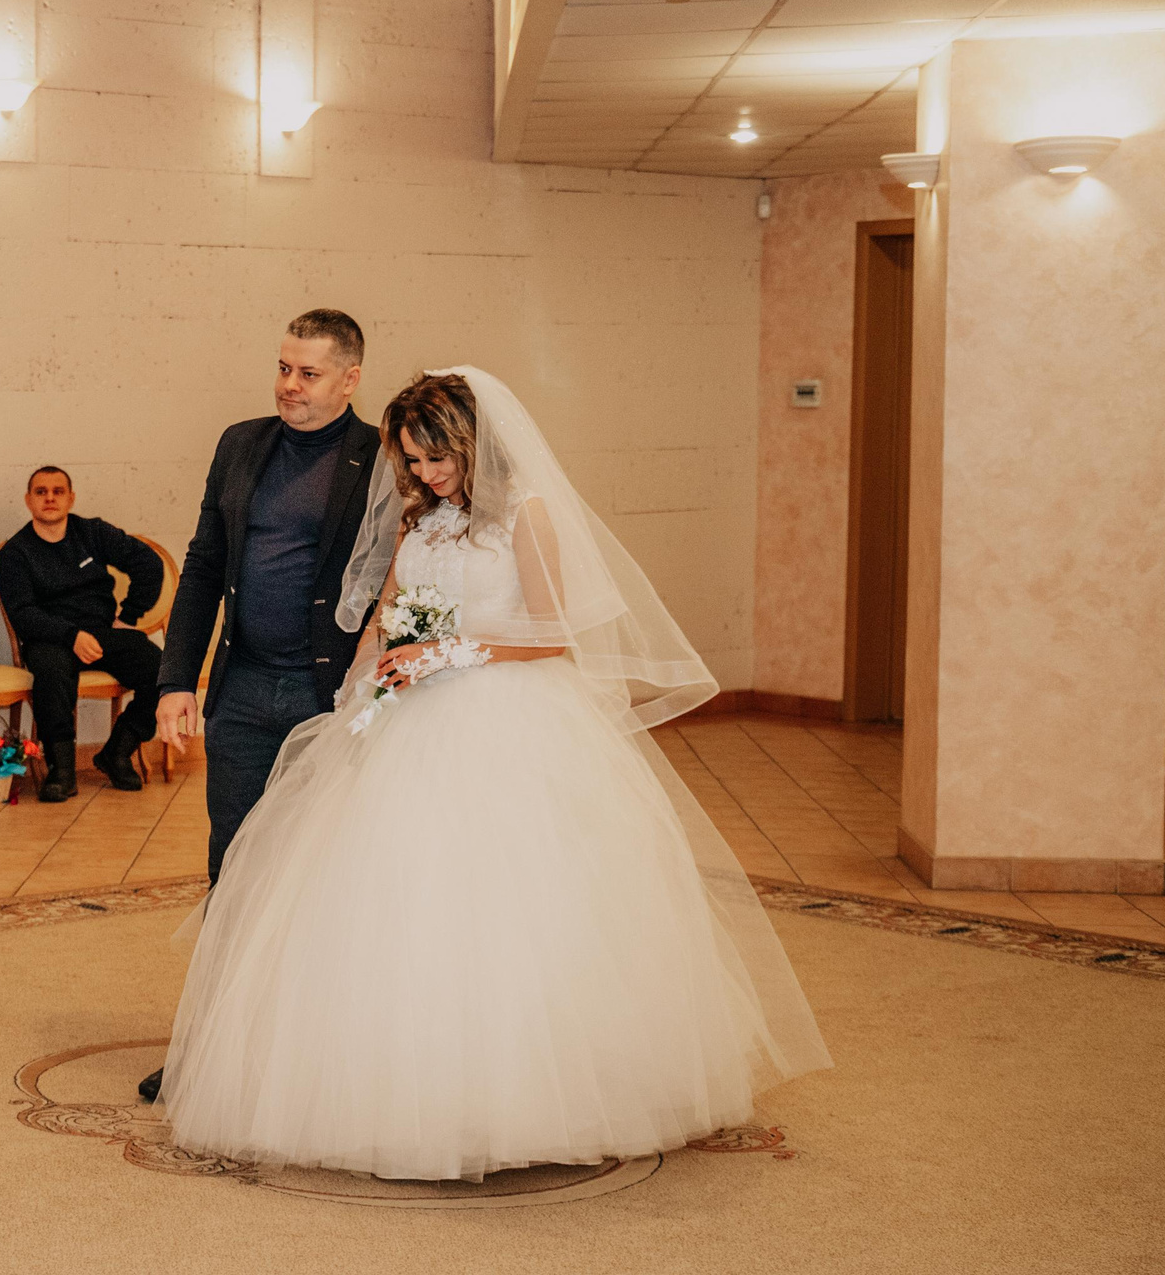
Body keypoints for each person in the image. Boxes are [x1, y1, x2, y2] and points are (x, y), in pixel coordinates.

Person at [157, 368, 832, 1180]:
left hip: (509, 714)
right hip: (412, 717)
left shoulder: (526, 515)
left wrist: (451, 652)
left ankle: (534, 1094)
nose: (427, 475)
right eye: (413, 461)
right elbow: (397, 612)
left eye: (436, 459)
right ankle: (391, 1085)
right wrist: (370, 684)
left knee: (508, 900)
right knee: (383, 896)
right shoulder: (423, 522)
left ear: (469, 442)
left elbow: (552, 633)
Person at [136, 309, 383, 1102]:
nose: (288, 385)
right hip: (241, 692)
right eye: (282, 367)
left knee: (319, 880)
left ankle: (310, 1061)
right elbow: (204, 564)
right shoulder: (240, 444)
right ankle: (209, 1052)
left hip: (330, 699)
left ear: (350, 379)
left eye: (308, 373)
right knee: (232, 870)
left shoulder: (380, 457)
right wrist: (177, 680)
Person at [0, 468, 163, 803]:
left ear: (71, 498)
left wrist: (128, 616)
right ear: (29, 501)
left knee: (161, 669)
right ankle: (62, 770)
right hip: (51, 638)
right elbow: (23, 614)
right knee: (51, 672)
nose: (50, 498)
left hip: (102, 632)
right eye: (41, 492)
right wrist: (71, 635)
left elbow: (148, 563)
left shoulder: (93, 533)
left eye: (58, 491)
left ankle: (117, 753)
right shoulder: (16, 553)